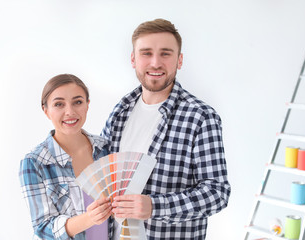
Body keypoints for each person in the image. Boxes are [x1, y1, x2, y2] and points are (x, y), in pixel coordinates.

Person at [101, 19, 231, 240]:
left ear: (179, 61)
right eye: (146, 53)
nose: (155, 63)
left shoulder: (200, 117)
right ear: (133, 59)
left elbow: (217, 192)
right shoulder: (119, 113)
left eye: (165, 54)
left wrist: (154, 206)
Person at [19, 74, 112, 240]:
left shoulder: (105, 148)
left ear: (87, 105)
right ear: (46, 110)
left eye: (77, 102)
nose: (70, 112)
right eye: (59, 104)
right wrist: (89, 218)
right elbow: (43, 228)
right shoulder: (34, 163)